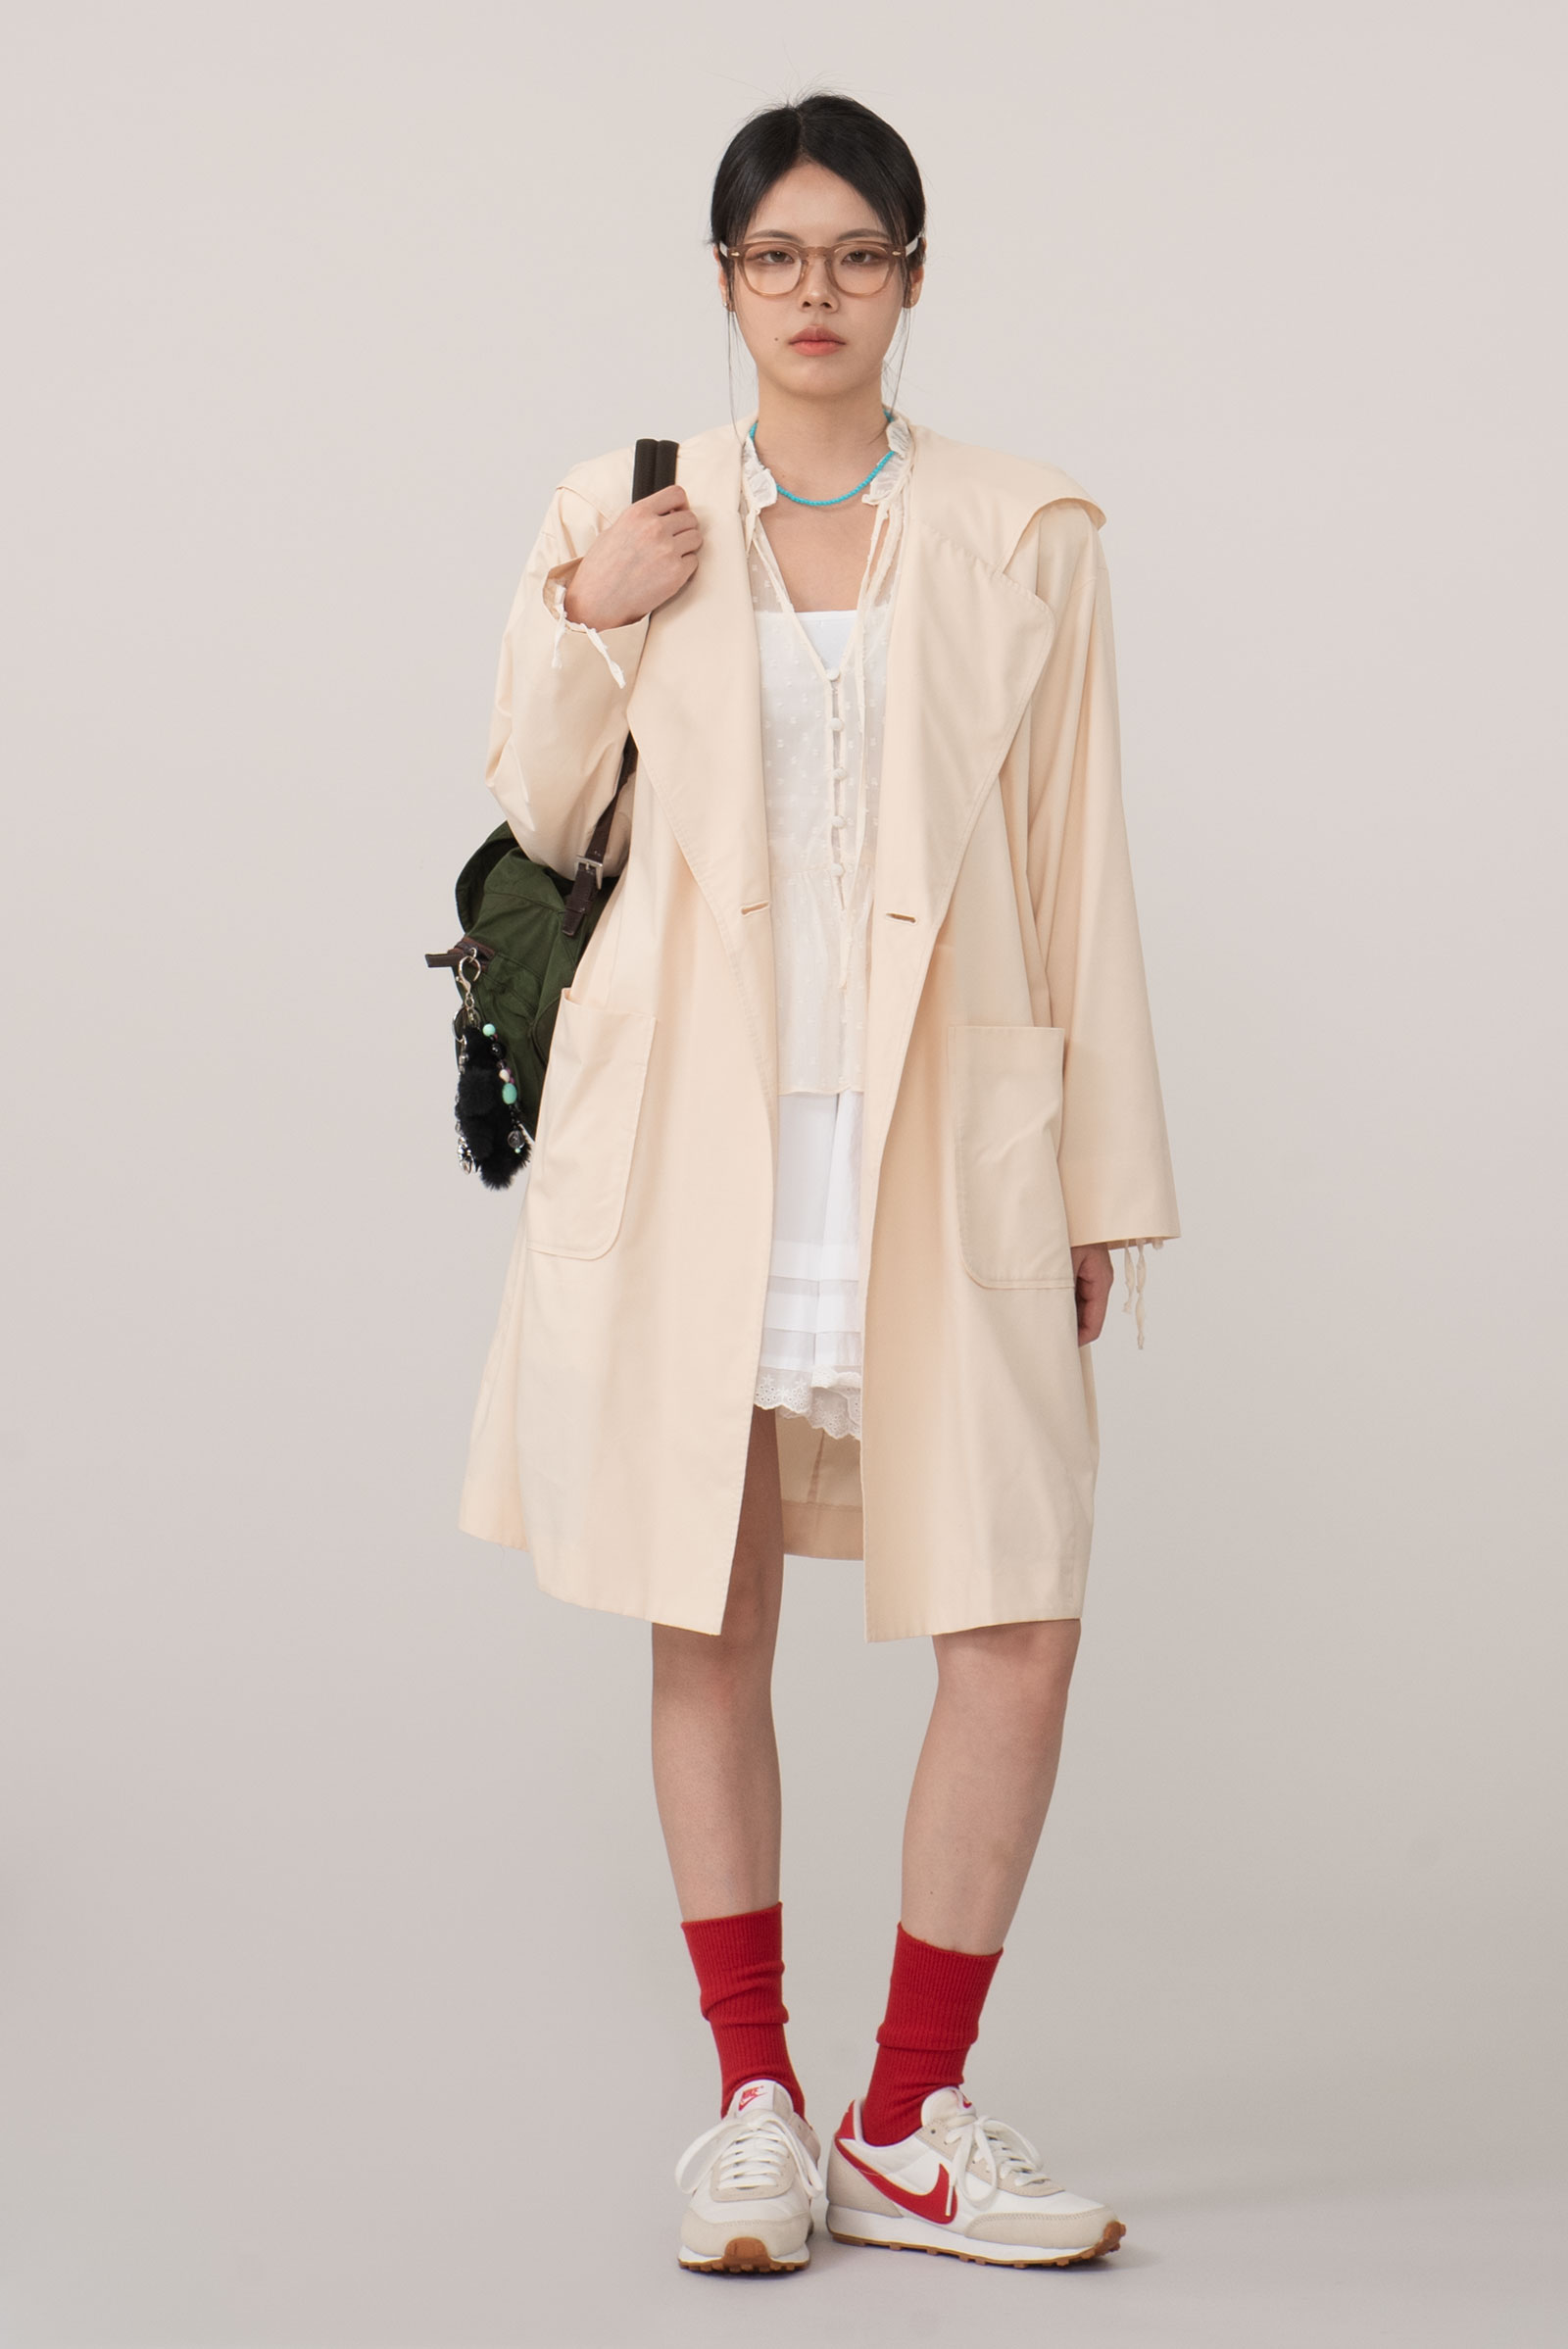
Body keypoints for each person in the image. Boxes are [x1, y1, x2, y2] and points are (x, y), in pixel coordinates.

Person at [460, 92, 1179, 2275]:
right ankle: (754, 2104)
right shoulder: (623, 508)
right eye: (775, 256)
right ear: (724, 281)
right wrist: (589, 613)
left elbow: (1075, 861)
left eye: (855, 254)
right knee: (713, 1594)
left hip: (939, 1131)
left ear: (911, 278)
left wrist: (1097, 1177)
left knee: (1018, 1613)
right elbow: (538, 815)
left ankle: (903, 2113)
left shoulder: (1026, 531)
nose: (814, 293)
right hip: (699, 1134)